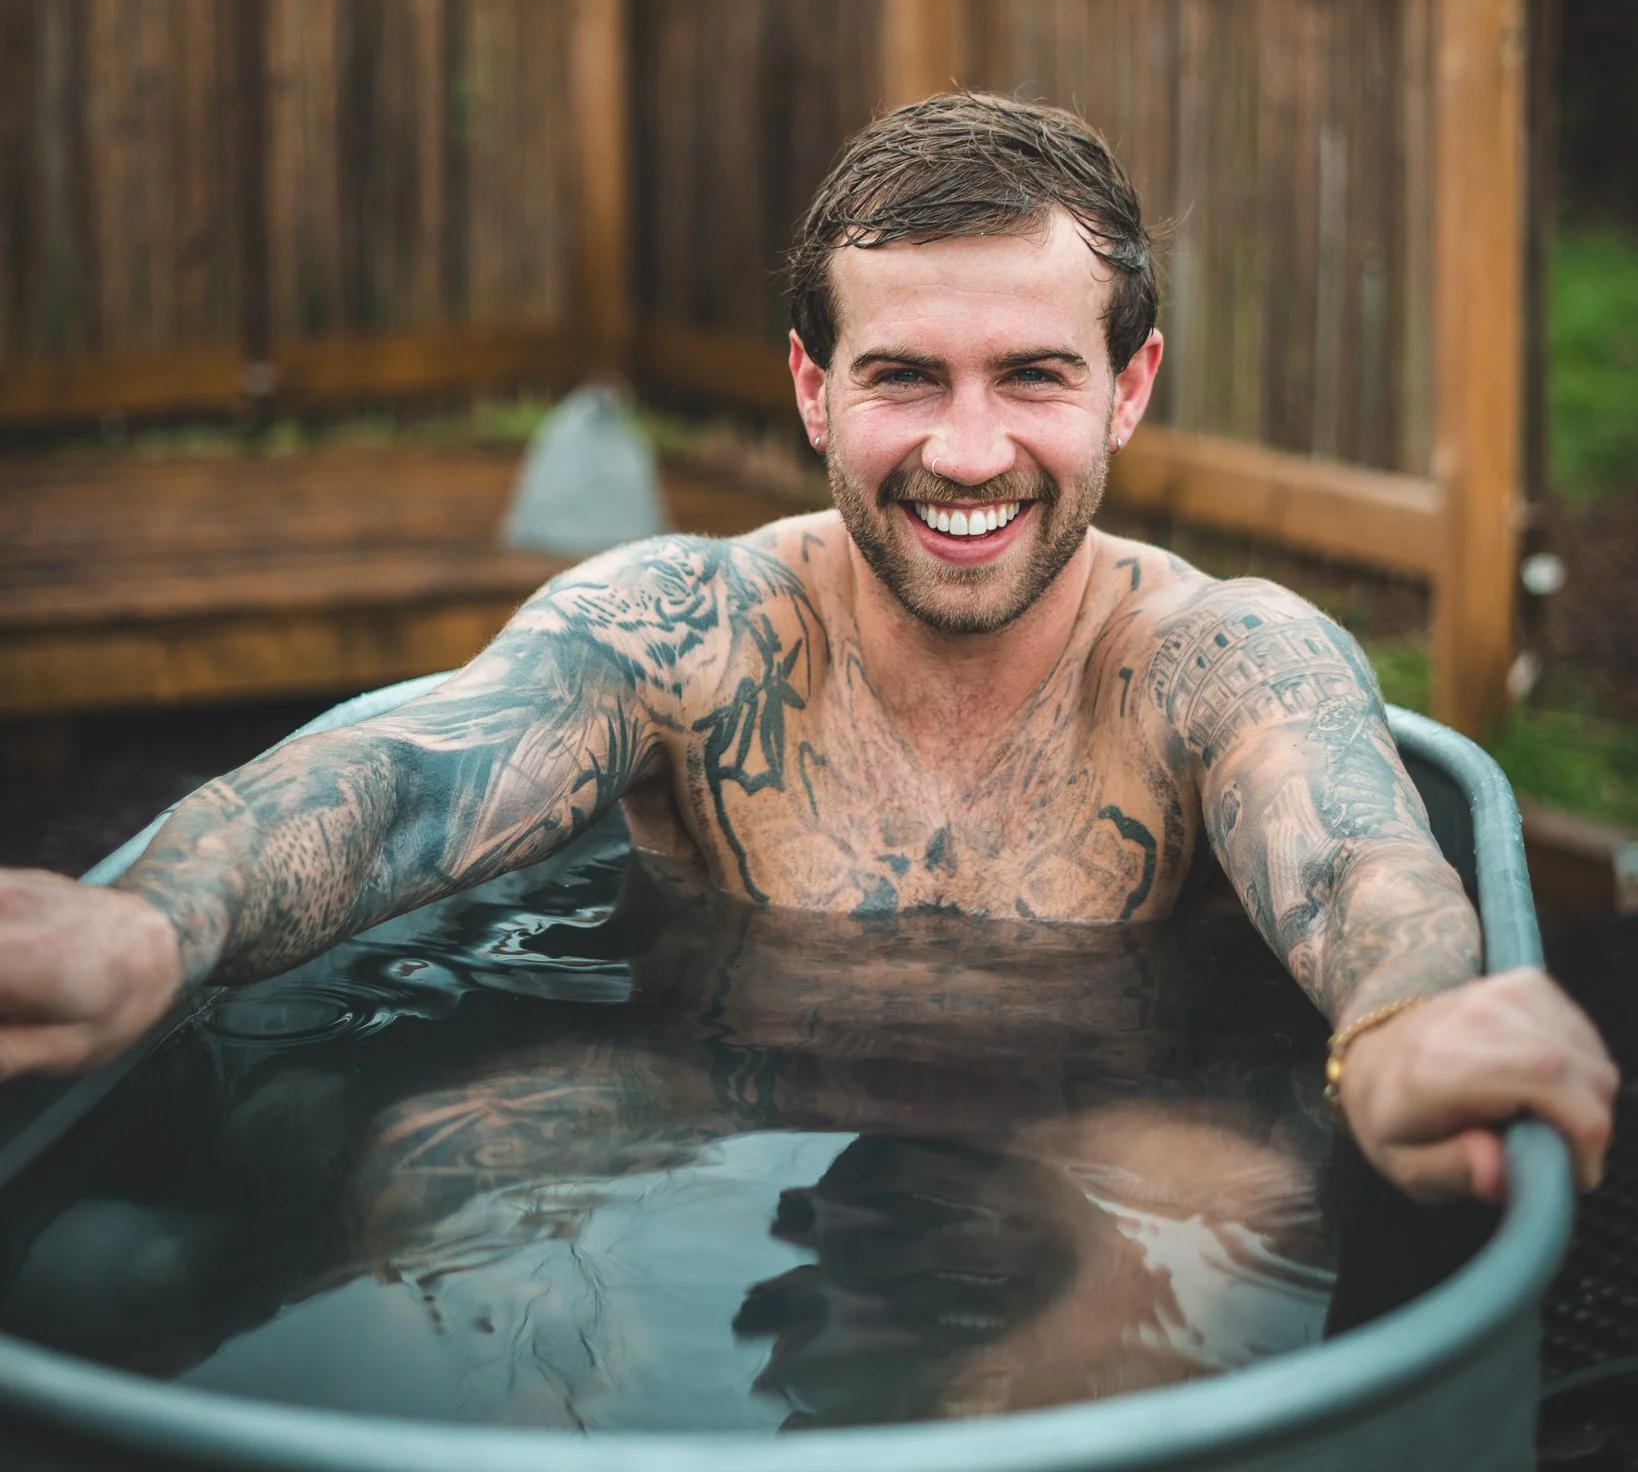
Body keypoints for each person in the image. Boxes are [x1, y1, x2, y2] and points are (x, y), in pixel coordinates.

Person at [0, 93, 1615, 1208]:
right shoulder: (688, 631)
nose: (968, 452)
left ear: (1128, 389)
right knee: (448, 1137)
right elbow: (399, 783)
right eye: (904, 375)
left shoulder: (1212, 659)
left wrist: (1406, 1025)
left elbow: (1357, 876)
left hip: (1117, 1129)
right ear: (810, 388)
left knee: (1234, 1194)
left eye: (1033, 379)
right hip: (721, 1113)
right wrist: (156, 924)